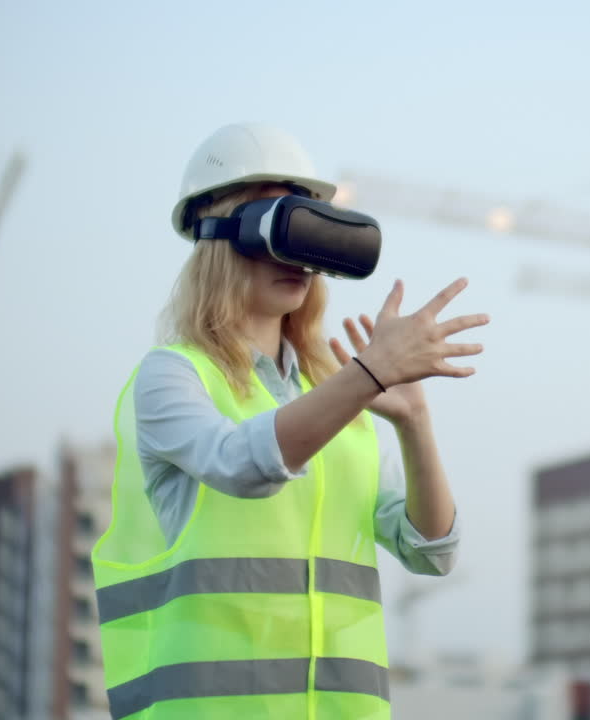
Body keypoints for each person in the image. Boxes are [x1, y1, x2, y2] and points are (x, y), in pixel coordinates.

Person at [90, 123, 488, 720]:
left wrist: (414, 421)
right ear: (217, 237)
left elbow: (432, 551)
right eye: (273, 224)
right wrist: (370, 373)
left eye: (306, 227)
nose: (296, 256)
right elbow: (242, 465)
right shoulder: (174, 377)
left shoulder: (337, 394)